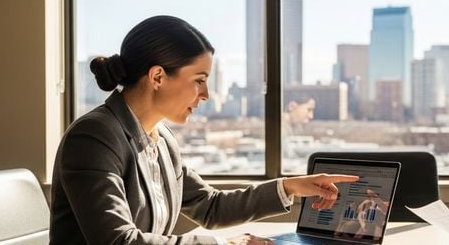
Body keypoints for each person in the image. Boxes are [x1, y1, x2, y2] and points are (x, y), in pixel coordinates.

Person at [49, 15, 359, 245]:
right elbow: (118, 242)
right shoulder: (93, 138)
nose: (206, 94)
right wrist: (225, 244)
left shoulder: (162, 140)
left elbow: (210, 207)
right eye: (199, 80)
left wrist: (291, 186)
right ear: (157, 77)